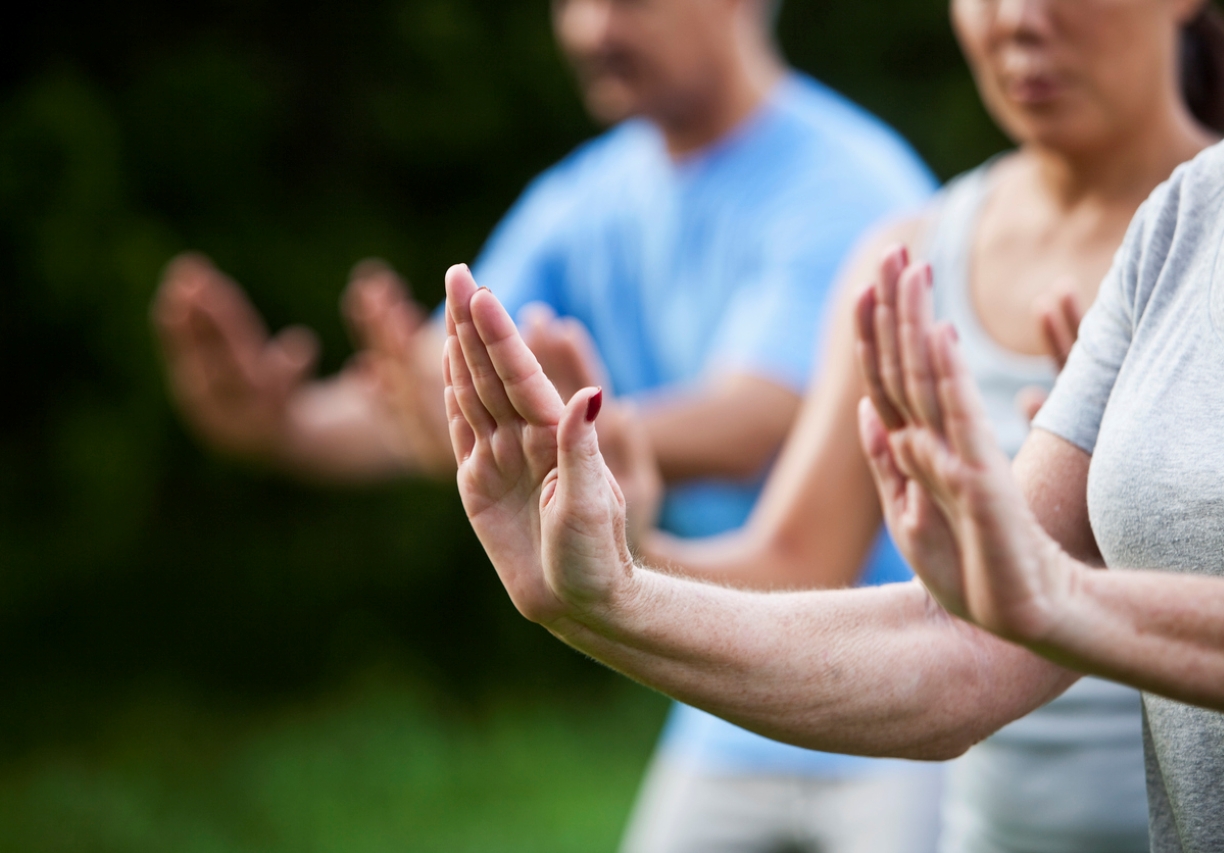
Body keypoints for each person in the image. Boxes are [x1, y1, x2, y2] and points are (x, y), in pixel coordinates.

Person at [151, 1, 941, 850]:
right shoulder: (582, 200)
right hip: (725, 691)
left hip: (903, 684)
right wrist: (284, 427)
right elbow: (454, 399)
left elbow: (761, 413)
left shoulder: (852, 183)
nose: (591, 28)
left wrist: (559, 436)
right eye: (573, 0)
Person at [535, 0, 1224, 848]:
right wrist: (617, 567)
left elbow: (1014, 613)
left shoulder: (1180, 229)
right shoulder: (930, 261)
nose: (1016, 19)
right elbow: (936, 635)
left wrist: (1073, 582)